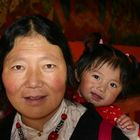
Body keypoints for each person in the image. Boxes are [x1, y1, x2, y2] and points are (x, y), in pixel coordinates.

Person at [0, 15, 129, 140]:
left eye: (49, 66)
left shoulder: (106, 135)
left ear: (68, 71)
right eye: (18, 67)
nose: (34, 82)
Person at [73, 33, 140, 140]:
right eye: (96, 77)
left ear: (120, 93)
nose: (102, 88)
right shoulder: (62, 100)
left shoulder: (114, 118)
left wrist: (130, 133)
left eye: (113, 84)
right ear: (77, 74)